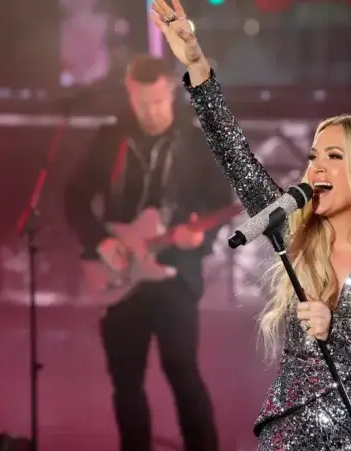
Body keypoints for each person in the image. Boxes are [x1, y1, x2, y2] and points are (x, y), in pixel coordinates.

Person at [149, 0, 351, 449]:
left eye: (333, 157)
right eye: (312, 157)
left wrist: (339, 328)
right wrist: (197, 66)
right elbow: (236, 158)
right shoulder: (297, 232)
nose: (316, 168)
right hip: (290, 432)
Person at [63, 54, 231, 451]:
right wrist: (100, 241)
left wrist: (200, 240)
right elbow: (73, 198)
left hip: (177, 275)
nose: (152, 112)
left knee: (183, 371)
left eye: (159, 102)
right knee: (125, 382)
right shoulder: (110, 138)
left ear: (171, 93)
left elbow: (219, 204)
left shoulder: (196, 140)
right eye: (143, 104)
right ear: (130, 93)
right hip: (121, 275)